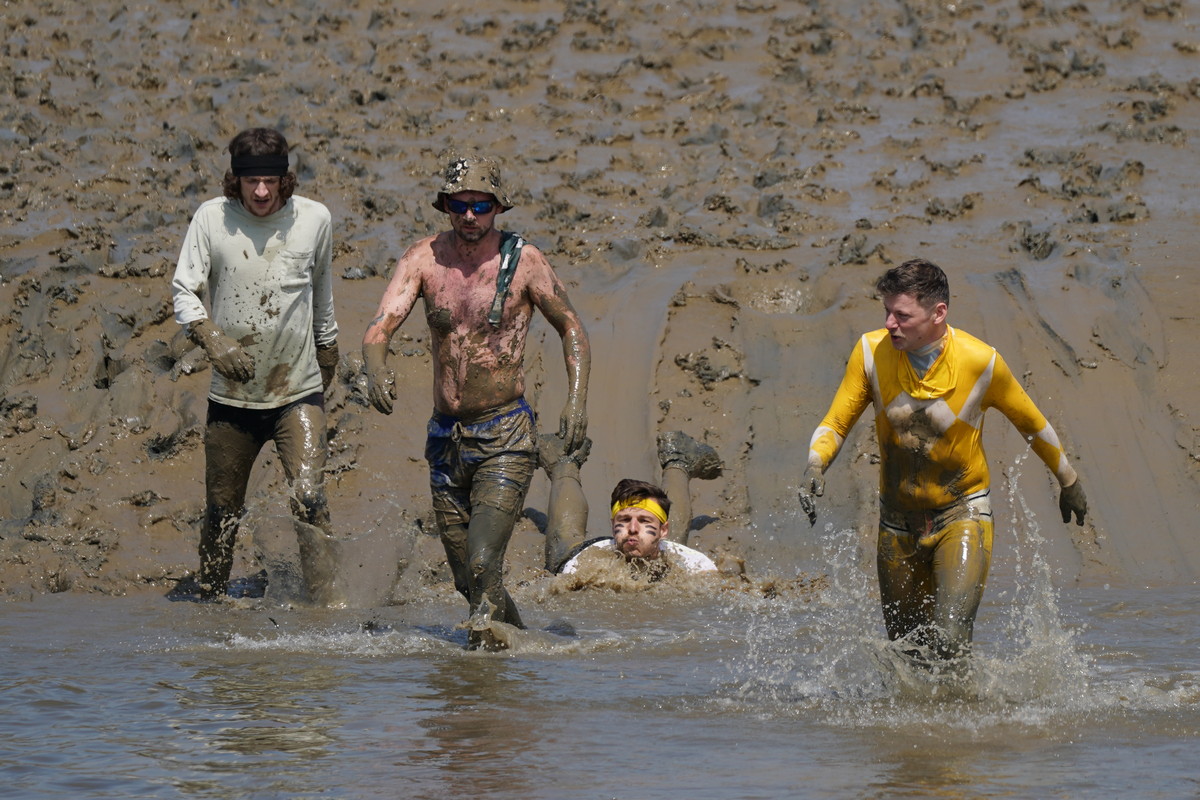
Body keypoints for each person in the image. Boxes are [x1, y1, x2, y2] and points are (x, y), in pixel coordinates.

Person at [798, 258, 1088, 663]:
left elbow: (1033, 425)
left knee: (950, 639)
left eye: (901, 315)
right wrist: (816, 463)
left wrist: (1069, 481)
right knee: (906, 654)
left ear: (938, 313)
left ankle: (963, 719)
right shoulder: (870, 352)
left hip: (962, 513)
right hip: (896, 523)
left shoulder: (981, 362)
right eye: (886, 312)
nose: (889, 324)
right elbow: (836, 422)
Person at [362, 152, 590, 645]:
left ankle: (484, 666)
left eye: (480, 206)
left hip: (505, 433)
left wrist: (576, 401)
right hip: (446, 440)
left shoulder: (523, 261)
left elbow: (571, 326)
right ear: (446, 205)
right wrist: (374, 366)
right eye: (460, 205)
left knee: (485, 560)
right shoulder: (424, 257)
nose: (470, 216)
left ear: (497, 208)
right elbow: (381, 324)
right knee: (469, 578)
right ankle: (521, 650)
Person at [169, 127, 340, 600]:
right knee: (222, 510)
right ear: (235, 180)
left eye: (270, 181)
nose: (261, 192)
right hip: (232, 397)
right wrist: (210, 337)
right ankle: (211, 600)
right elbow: (185, 288)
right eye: (251, 183)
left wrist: (328, 351)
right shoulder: (211, 219)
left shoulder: (314, 219)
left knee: (309, 498)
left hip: (297, 390)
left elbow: (322, 291)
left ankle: (327, 606)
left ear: (285, 179)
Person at [542, 430, 723, 578]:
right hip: (592, 552)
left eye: (643, 521)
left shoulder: (693, 564)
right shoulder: (586, 564)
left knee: (668, 549)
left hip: (663, 548)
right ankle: (564, 461)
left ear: (664, 530)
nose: (633, 528)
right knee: (560, 552)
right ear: (613, 524)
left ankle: (679, 457)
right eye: (624, 519)